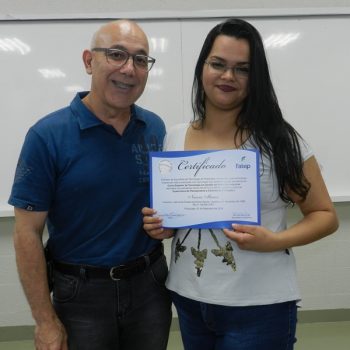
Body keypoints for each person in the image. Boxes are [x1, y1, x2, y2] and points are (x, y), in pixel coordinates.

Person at [142, 18, 338, 350]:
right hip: (189, 298)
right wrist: (163, 225)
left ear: (255, 77)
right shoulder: (174, 136)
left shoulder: (279, 141)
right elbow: (184, 217)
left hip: (259, 306)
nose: (228, 76)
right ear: (202, 67)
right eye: (218, 64)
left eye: (242, 69)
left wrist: (274, 241)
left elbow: (324, 215)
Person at [9, 20, 172, 350]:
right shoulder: (47, 136)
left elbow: (161, 207)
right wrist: (44, 321)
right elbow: (26, 233)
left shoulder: (154, 127)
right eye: (117, 55)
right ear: (88, 61)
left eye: (141, 60)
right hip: (80, 296)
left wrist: (166, 224)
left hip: (150, 287)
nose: (129, 69)